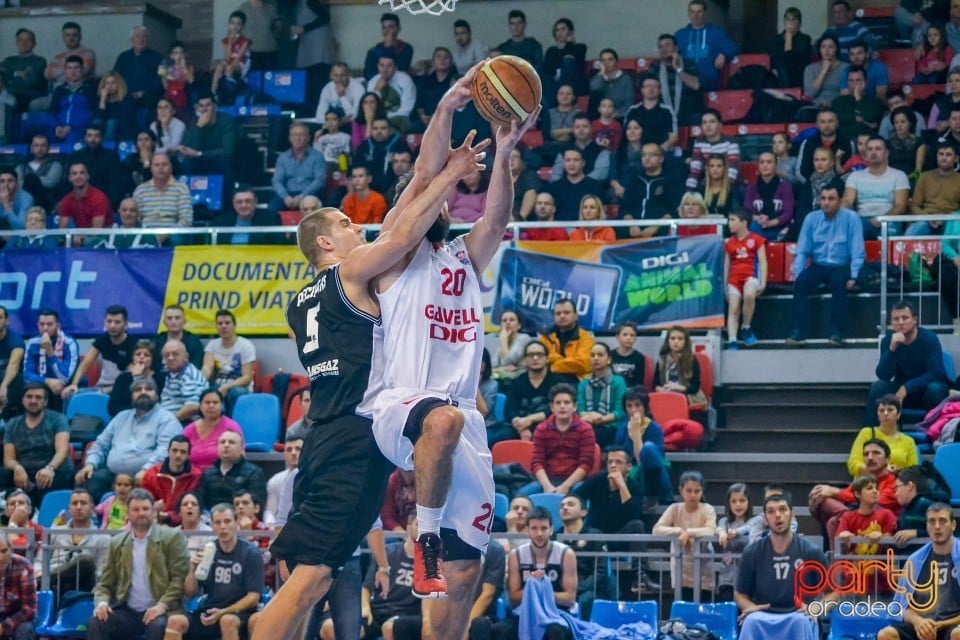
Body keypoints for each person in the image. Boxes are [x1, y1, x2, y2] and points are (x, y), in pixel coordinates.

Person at [254, 65, 498, 640]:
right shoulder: (348, 274)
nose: (354, 226)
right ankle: (429, 543)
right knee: (310, 580)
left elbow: (414, 188)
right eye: (342, 223)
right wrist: (455, 175)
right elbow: (402, 231)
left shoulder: (300, 304)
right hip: (354, 435)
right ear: (322, 243)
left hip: (326, 434)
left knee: (309, 577)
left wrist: (443, 112)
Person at [362, 72, 537, 636]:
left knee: (467, 574)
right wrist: (444, 108)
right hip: (403, 405)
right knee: (442, 419)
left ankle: (444, 560)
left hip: (464, 420)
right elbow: (421, 177)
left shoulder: (460, 256)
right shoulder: (390, 253)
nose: (428, 195)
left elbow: (496, 221)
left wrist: (505, 154)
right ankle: (426, 538)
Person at [87, 489, 189, 640]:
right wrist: (102, 603)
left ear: (153, 512)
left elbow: (179, 580)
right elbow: (104, 583)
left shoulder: (172, 537)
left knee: (157, 626)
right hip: (129, 611)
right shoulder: (116, 542)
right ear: (127, 514)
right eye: (136, 509)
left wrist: (161, 606)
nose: (141, 513)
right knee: (97, 623)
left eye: (145, 509)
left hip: (162, 609)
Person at [735, 493, 828, 640]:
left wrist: (817, 608)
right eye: (771, 511)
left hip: (798, 614)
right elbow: (740, 593)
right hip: (763, 614)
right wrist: (748, 606)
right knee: (751, 621)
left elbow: (833, 593)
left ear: (792, 515)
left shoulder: (810, 551)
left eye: (783, 509)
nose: (777, 515)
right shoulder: (752, 552)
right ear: (765, 519)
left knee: (802, 621)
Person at [164, 503, 263, 640]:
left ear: (236, 523)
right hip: (210, 610)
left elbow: (253, 597)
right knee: (175, 621)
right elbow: (191, 593)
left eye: (227, 521)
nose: (223, 526)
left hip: (239, 612)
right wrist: (192, 569)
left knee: (227, 621)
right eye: (218, 522)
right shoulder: (208, 550)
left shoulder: (251, 553)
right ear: (212, 525)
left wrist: (224, 612)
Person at [74, 377, 182, 500]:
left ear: (157, 395)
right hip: (113, 474)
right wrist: (90, 464)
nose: (143, 392)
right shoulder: (121, 417)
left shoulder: (166, 419)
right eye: (138, 390)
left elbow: (164, 451)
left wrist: (145, 469)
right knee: (84, 479)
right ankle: (92, 517)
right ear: (132, 396)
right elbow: (100, 443)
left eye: (148, 389)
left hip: (145, 476)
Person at [787, 184, 865, 346]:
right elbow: (802, 250)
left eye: (831, 199)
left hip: (843, 265)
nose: (826, 203)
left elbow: (857, 251)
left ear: (840, 200)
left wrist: (854, 274)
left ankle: (836, 332)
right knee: (801, 282)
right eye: (823, 199)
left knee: (838, 281)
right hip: (820, 264)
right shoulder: (811, 218)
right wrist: (798, 273)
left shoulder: (851, 218)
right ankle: (798, 332)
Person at [878, 503, 960, 640]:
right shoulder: (914, 560)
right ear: (927, 527)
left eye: (943, 521)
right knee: (885, 635)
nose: (937, 527)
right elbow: (901, 607)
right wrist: (918, 622)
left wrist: (942, 624)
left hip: (953, 624)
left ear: (953, 525)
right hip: (923, 625)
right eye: (932, 522)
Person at [494, 506, 578, 640]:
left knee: (554, 631)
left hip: (557, 613)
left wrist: (540, 588)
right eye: (534, 528)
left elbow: (570, 598)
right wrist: (532, 586)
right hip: (525, 613)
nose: (539, 533)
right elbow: (514, 598)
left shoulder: (566, 554)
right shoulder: (517, 555)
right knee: (502, 630)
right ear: (527, 530)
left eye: (544, 528)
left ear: (551, 530)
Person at [865, 301, 950, 422]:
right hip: (902, 394)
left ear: (915, 320)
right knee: (877, 387)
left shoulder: (929, 338)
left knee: (935, 389)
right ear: (891, 323)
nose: (900, 322)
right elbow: (883, 375)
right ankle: (873, 436)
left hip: (926, 392)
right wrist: (892, 349)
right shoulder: (888, 341)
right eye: (896, 319)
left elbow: (937, 372)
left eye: (905, 318)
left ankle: (937, 436)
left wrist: (906, 388)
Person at [810, 438, 901, 541]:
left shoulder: (895, 483)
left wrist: (834, 491)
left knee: (834, 520)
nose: (870, 458)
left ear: (888, 459)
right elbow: (848, 495)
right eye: (866, 454)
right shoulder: (862, 481)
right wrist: (820, 497)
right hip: (854, 525)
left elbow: (873, 501)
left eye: (876, 453)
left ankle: (836, 553)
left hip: (879, 531)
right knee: (825, 500)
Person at [517, 383, 597, 497]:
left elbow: (586, 464)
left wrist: (566, 486)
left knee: (582, 493)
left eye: (567, 402)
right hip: (547, 480)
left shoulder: (585, 430)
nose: (562, 406)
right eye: (558, 403)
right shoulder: (542, 429)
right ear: (551, 407)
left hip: (575, 482)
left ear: (574, 406)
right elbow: (537, 462)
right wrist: (547, 486)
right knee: (522, 495)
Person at [1, 383, 73, 501]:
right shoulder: (13, 423)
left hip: (52, 472)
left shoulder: (58, 419)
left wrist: (49, 468)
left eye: (38, 397)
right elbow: (8, 459)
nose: (33, 401)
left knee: (56, 480)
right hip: (24, 473)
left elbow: (62, 450)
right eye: (29, 397)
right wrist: (17, 468)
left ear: (45, 402)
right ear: (23, 400)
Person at [653, 470, 717, 601]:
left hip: (703, 569)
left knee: (703, 611)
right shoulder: (674, 508)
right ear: (681, 490)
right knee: (683, 611)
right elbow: (657, 529)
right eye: (688, 491)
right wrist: (678, 531)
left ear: (702, 491)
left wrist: (688, 532)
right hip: (681, 568)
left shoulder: (708, 509)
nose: (693, 495)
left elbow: (710, 530)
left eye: (697, 491)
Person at [356, 514, 421, 640]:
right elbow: (366, 588)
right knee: (330, 628)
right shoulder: (387, 553)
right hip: (377, 612)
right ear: (407, 528)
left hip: (407, 615)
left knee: (389, 628)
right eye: (418, 524)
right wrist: (365, 608)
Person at [491, 341, 564, 446]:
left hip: (549, 425)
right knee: (500, 436)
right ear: (525, 360)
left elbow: (557, 409)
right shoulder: (518, 381)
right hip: (519, 426)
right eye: (530, 355)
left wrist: (529, 420)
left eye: (539, 354)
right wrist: (521, 428)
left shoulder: (557, 381)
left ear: (547, 358)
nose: (535, 358)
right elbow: (510, 409)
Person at [47, 488, 110, 605]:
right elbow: (39, 561)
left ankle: (48, 579)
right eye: (75, 503)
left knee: (86, 561)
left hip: (84, 585)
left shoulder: (103, 537)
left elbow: (102, 572)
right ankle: (49, 580)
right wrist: (39, 572)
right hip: (56, 585)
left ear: (92, 508)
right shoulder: (54, 532)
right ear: (69, 508)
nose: (79, 507)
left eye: (83, 503)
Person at [557, 494, 610, 621]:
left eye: (570, 505)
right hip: (560, 587)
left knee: (587, 599)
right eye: (562, 506)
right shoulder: (554, 537)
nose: (564, 508)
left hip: (586, 588)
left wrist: (578, 589)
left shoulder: (595, 536)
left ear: (583, 512)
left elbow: (600, 571)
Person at [63, 304, 136, 396]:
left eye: (117, 322)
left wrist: (106, 391)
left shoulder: (134, 344)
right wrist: (74, 385)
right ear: (104, 322)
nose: (112, 326)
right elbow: (85, 364)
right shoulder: (102, 340)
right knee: (68, 394)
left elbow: (133, 378)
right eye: (109, 321)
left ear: (125, 324)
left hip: (122, 389)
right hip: (101, 387)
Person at [619, 142, 684, 239]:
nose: (647, 158)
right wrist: (632, 226)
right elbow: (625, 208)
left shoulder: (671, 180)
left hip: (660, 228)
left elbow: (673, 210)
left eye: (651, 155)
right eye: (644, 155)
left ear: (661, 159)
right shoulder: (634, 179)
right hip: (634, 227)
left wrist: (655, 228)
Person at [724, 211, 768, 350]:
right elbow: (726, 265)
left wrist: (763, 283)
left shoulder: (757, 239)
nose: (729, 223)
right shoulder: (729, 243)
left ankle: (746, 327)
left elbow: (763, 262)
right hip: (734, 279)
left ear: (744, 223)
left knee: (749, 295)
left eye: (733, 219)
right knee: (733, 308)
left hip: (751, 276)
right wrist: (725, 285)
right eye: (729, 220)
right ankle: (732, 340)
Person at [850, 393, 919, 478]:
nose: (885, 413)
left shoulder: (908, 441)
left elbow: (913, 471)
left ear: (898, 414)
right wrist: (881, 470)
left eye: (890, 410)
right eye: (881, 410)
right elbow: (853, 464)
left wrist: (897, 472)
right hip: (870, 484)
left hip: (896, 485)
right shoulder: (867, 433)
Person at [673, 0, 737, 92]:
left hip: (708, 81)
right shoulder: (680, 35)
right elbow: (670, 52)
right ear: (689, 14)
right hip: (685, 81)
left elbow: (733, 48)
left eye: (699, 12)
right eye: (692, 12)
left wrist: (723, 55)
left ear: (705, 13)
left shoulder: (717, 33)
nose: (696, 16)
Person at [200, 310, 256, 414]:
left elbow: (247, 378)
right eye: (220, 323)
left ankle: (231, 425)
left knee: (234, 393)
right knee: (209, 392)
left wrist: (226, 387)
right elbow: (207, 367)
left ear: (234, 326)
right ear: (216, 327)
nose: (223, 326)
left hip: (239, 388)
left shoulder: (245, 346)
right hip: (218, 385)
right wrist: (200, 379)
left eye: (227, 323)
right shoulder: (212, 345)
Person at [22, 310, 79, 412]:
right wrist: (47, 381)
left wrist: (50, 352)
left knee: (66, 392)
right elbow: (27, 374)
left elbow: (64, 377)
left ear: (58, 326)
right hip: (43, 384)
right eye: (42, 324)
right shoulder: (32, 343)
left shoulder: (70, 344)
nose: (45, 328)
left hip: (66, 386)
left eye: (49, 324)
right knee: (26, 389)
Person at [716, 483, 763, 603]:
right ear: (729, 503)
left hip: (747, 579)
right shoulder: (724, 521)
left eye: (742, 500)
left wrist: (736, 531)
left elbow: (747, 527)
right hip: (727, 579)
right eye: (734, 501)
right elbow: (719, 528)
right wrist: (721, 533)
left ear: (748, 502)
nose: (738, 504)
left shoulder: (756, 521)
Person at [140, 435, 202, 526]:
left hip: (184, 524)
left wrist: (169, 516)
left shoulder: (196, 476)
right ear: (168, 452)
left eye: (183, 452)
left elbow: (195, 507)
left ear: (189, 455)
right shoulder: (151, 474)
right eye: (174, 450)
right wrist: (152, 506)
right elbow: (141, 502)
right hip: (155, 522)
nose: (178, 455)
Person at [197, 430, 265, 510]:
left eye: (231, 442)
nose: (226, 445)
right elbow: (200, 503)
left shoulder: (254, 473)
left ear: (242, 449)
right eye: (222, 442)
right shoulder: (207, 473)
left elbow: (257, 506)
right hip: (210, 519)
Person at [131, 152, 193, 239]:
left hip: (172, 235)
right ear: (151, 168)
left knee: (177, 238)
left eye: (164, 164)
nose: (160, 168)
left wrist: (165, 234)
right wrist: (149, 236)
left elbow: (186, 220)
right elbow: (135, 219)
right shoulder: (140, 190)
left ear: (170, 167)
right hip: (145, 235)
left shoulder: (182, 189)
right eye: (157, 165)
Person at [835, 475, 897, 560]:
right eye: (869, 488)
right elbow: (840, 549)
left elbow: (890, 543)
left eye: (877, 488)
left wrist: (881, 536)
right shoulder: (847, 517)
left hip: (879, 570)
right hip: (852, 571)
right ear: (857, 494)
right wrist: (843, 538)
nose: (875, 491)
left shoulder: (887, 514)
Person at [0, 29, 46, 142]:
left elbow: (31, 82)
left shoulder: (39, 61)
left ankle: (7, 144)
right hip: (8, 93)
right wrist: (18, 74)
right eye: (20, 40)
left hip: (29, 96)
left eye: (28, 40)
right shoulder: (9, 60)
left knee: (7, 103)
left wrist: (10, 75)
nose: (24, 43)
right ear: (16, 42)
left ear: (34, 43)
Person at [576, 343, 626, 447]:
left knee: (595, 434)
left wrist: (601, 419)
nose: (596, 358)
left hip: (612, 425)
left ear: (609, 359)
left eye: (600, 355)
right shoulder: (584, 383)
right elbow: (580, 408)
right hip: (588, 423)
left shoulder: (618, 381)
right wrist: (589, 418)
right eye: (592, 355)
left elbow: (620, 411)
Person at [270, 123, 325, 215]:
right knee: (272, 208)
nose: (298, 138)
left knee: (311, 204)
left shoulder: (317, 156)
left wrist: (302, 196)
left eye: (301, 135)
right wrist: (286, 197)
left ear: (308, 137)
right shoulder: (282, 158)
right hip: (287, 194)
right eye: (294, 135)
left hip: (310, 193)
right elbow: (276, 181)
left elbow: (319, 180)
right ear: (289, 138)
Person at [651, 33, 702, 128]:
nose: (663, 49)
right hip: (664, 114)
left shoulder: (688, 64)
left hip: (689, 113)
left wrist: (678, 68)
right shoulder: (655, 67)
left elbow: (696, 85)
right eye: (660, 47)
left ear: (675, 49)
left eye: (667, 45)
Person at [795, 107, 857, 184]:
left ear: (837, 123)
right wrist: (812, 185)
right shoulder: (808, 143)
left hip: (839, 189)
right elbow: (800, 172)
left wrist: (835, 186)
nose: (827, 125)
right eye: (823, 122)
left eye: (830, 121)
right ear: (817, 124)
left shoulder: (848, 143)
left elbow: (852, 171)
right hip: (811, 187)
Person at [910, 142, 960, 237]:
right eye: (941, 154)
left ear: (956, 158)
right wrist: (928, 218)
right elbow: (914, 205)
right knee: (915, 230)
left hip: (952, 222)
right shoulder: (924, 177)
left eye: (948, 155)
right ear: (937, 156)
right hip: (926, 219)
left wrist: (950, 219)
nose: (944, 158)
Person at [685, 109, 740, 191]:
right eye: (704, 122)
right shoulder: (699, 142)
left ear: (720, 125)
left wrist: (720, 191)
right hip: (708, 184)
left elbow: (732, 171)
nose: (708, 126)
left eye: (712, 122)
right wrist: (689, 191)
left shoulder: (730, 142)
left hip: (730, 186)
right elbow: (695, 170)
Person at [106, 339, 165, 416]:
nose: (141, 357)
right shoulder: (123, 378)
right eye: (138, 354)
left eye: (146, 355)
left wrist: (137, 378)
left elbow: (155, 404)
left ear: (152, 360)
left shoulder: (160, 378)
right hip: (125, 419)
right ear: (133, 358)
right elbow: (113, 408)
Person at [549, 113, 611, 184]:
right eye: (577, 127)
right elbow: (556, 175)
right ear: (573, 129)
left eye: (585, 126)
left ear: (591, 129)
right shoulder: (564, 150)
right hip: (565, 189)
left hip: (591, 189)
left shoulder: (602, 151)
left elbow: (600, 175)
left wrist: (578, 184)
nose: (581, 129)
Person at [113, 26, 164, 110]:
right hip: (127, 97)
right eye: (138, 36)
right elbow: (116, 77)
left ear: (148, 40)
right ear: (132, 40)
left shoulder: (159, 58)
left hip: (149, 97)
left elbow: (160, 80)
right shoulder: (122, 57)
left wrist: (142, 93)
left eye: (144, 37)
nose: (141, 40)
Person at [57, 161, 111, 239]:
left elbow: (96, 231)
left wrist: (77, 238)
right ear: (70, 178)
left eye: (82, 173)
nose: (78, 176)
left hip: (104, 236)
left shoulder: (98, 197)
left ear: (87, 176)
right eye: (74, 174)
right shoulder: (66, 200)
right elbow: (61, 231)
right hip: (82, 237)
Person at [654, 326, 707, 405]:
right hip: (666, 396)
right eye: (673, 338)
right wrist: (660, 389)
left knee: (676, 402)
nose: (676, 341)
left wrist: (679, 388)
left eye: (680, 339)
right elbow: (655, 383)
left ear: (685, 341)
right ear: (668, 341)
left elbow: (695, 387)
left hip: (687, 396)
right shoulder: (662, 360)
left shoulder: (692, 360)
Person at [210, 188, 282, 246]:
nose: (243, 205)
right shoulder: (220, 222)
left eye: (247, 201)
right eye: (239, 202)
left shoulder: (271, 219)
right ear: (234, 204)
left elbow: (280, 248)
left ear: (255, 202)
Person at [157, 339, 206, 423]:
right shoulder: (171, 372)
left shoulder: (189, 375)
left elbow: (192, 407)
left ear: (186, 357)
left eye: (175, 354)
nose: (170, 358)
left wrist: (168, 421)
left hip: (185, 423)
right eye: (166, 355)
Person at [413, 47, 458, 134]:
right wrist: (422, 116)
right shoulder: (425, 81)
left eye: (446, 57)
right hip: (426, 120)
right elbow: (419, 103)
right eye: (439, 57)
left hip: (449, 120)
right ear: (433, 62)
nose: (442, 60)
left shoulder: (455, 81)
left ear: (451, 62)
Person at [366, 55, 416, 133]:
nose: (385, 69)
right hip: (379, 120)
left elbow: (406, 110)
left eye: (389, 66)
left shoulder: (405, 81)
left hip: (400, 119)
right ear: (378, 66)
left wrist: (386, 121)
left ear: (395, 68)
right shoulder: (372, 82)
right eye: (382, 65)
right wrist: (377, 91)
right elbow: (369, 108)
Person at [833, 66, 885, 140]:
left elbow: (870, 120)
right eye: (851, 80)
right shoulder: (837, 102)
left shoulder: (876, 102)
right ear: (847, 83)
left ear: (865, 82)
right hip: (845, 141)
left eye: (858, 80)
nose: (855, 84)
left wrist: (859, 98)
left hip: (869, 142)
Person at [0, 536, 37, 640]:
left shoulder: (24, 567)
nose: (1, 558)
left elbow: (30, 610)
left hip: (19, 615)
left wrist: (4, 626)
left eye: (4, 551)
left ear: (11, 549)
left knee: (24, 629)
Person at [543, 18, 588, 97]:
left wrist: (569, 44)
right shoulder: (551, 51)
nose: (560, 32)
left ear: (570, 32)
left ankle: (565, 94)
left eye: (563, 29)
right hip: (555, 83)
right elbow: (549, 69)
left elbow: (570, 61)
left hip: (575, 82)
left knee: (568, 62)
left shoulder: (580, 47)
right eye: (557, 30)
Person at [770, 7, 813, 89]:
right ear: (784, 22)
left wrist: (789, 36)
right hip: (779, 76)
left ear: (800, 24)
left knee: (786, 68)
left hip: (799, 75)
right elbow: (774, 61)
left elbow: (791, 60)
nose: (790, 22)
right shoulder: (775, 40)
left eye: (794, 20)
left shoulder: (805, 39)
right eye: (788, 19)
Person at [362, 13, 413, 81]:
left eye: (390, 27)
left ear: (398, 29)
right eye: (384, 28)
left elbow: (401, 69)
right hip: (377, 85)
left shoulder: (406, 48)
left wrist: (389, 46)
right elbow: (368, 75)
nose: (386, 31)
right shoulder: (373, 51)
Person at [264, 436, 301, 527]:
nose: (293, 453)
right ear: (284, 454)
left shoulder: (315, 477)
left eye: (298, 449)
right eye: (289, 449)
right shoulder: (275, 480)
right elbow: (270, 511)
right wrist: (271, 526)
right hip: (282, 529)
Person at [892, 466, 934, 546]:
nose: (895, 493)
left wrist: (916, 533)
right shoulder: (904, 509)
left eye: (897, 487)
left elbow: (941, 532)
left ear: (909, 486)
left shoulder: (927, 505)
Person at [154, 305, 204, 370]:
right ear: (164, 322)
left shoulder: (194, 342)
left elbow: (195, 367)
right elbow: (154, 368)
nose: (173, 321)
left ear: (184, 321)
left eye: (177, 318)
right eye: (169, 318)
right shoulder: (157, 341)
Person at [804, 35, 848, 109]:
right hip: (816, 107)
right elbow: (810, 94)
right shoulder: (810, 68)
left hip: (838, 107)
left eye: (831, 47)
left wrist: (831, 104)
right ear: (820, 49)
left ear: (836, 49)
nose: (827, 50)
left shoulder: (846, 68)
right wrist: (823, 71)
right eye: (823, 47)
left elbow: (848, 95)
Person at [589, 49, 634, 119]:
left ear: (616, 61)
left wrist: (614, 115)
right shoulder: (598, 78)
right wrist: (601, 73)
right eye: (603, 60)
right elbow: (594, 89)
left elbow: (628, 104)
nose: (606, 63)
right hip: (600, 118)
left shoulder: (626, 79)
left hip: (620, 117)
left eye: (610, 59)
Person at [94, 72, 136, 144]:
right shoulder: (101, 100)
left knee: (111, 122)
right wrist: (103, 100)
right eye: (107, 83)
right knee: (96, 121)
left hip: (123, 128)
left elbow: (125, 118)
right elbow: (99, 118)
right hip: (106, 128)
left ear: (118, 84)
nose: (109, 86)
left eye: (113, 83)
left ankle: (105, 146)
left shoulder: (127, 98)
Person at [491, 310, 532, 382]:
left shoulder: (524, 338)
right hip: (503, 381)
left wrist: (503, 341)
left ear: (519, 326)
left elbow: (509, 361)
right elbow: (491, 368)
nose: (508, 322)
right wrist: (502, 369)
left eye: (511, 320)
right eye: (504, 320)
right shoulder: (502, 342)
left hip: (521, 381)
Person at [0, 305, 25, 420]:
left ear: (7, 321)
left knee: (16, 379)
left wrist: (3, 386)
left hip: (10, 382)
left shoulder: (16, 342)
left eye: (0, 318)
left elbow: (13, 366)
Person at [159, 42, 194, 122]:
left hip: (183, 99)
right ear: (172, 56)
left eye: (181, 53)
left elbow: (191, 80)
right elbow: (166, 87)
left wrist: (183, 66)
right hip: (170, 98)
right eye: (176, 53)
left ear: (185, 54)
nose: (179, 55)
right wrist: (163, 75)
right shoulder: (168, 68)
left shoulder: (189, 67)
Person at [887, 106, 924, 179]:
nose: (899, 125)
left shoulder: (919, 143)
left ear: (910, 123)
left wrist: (904, 180)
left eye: (903, 122)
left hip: (912, 181)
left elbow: (918, 172)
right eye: (896, 122)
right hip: (891, 181)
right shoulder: (887, 144)